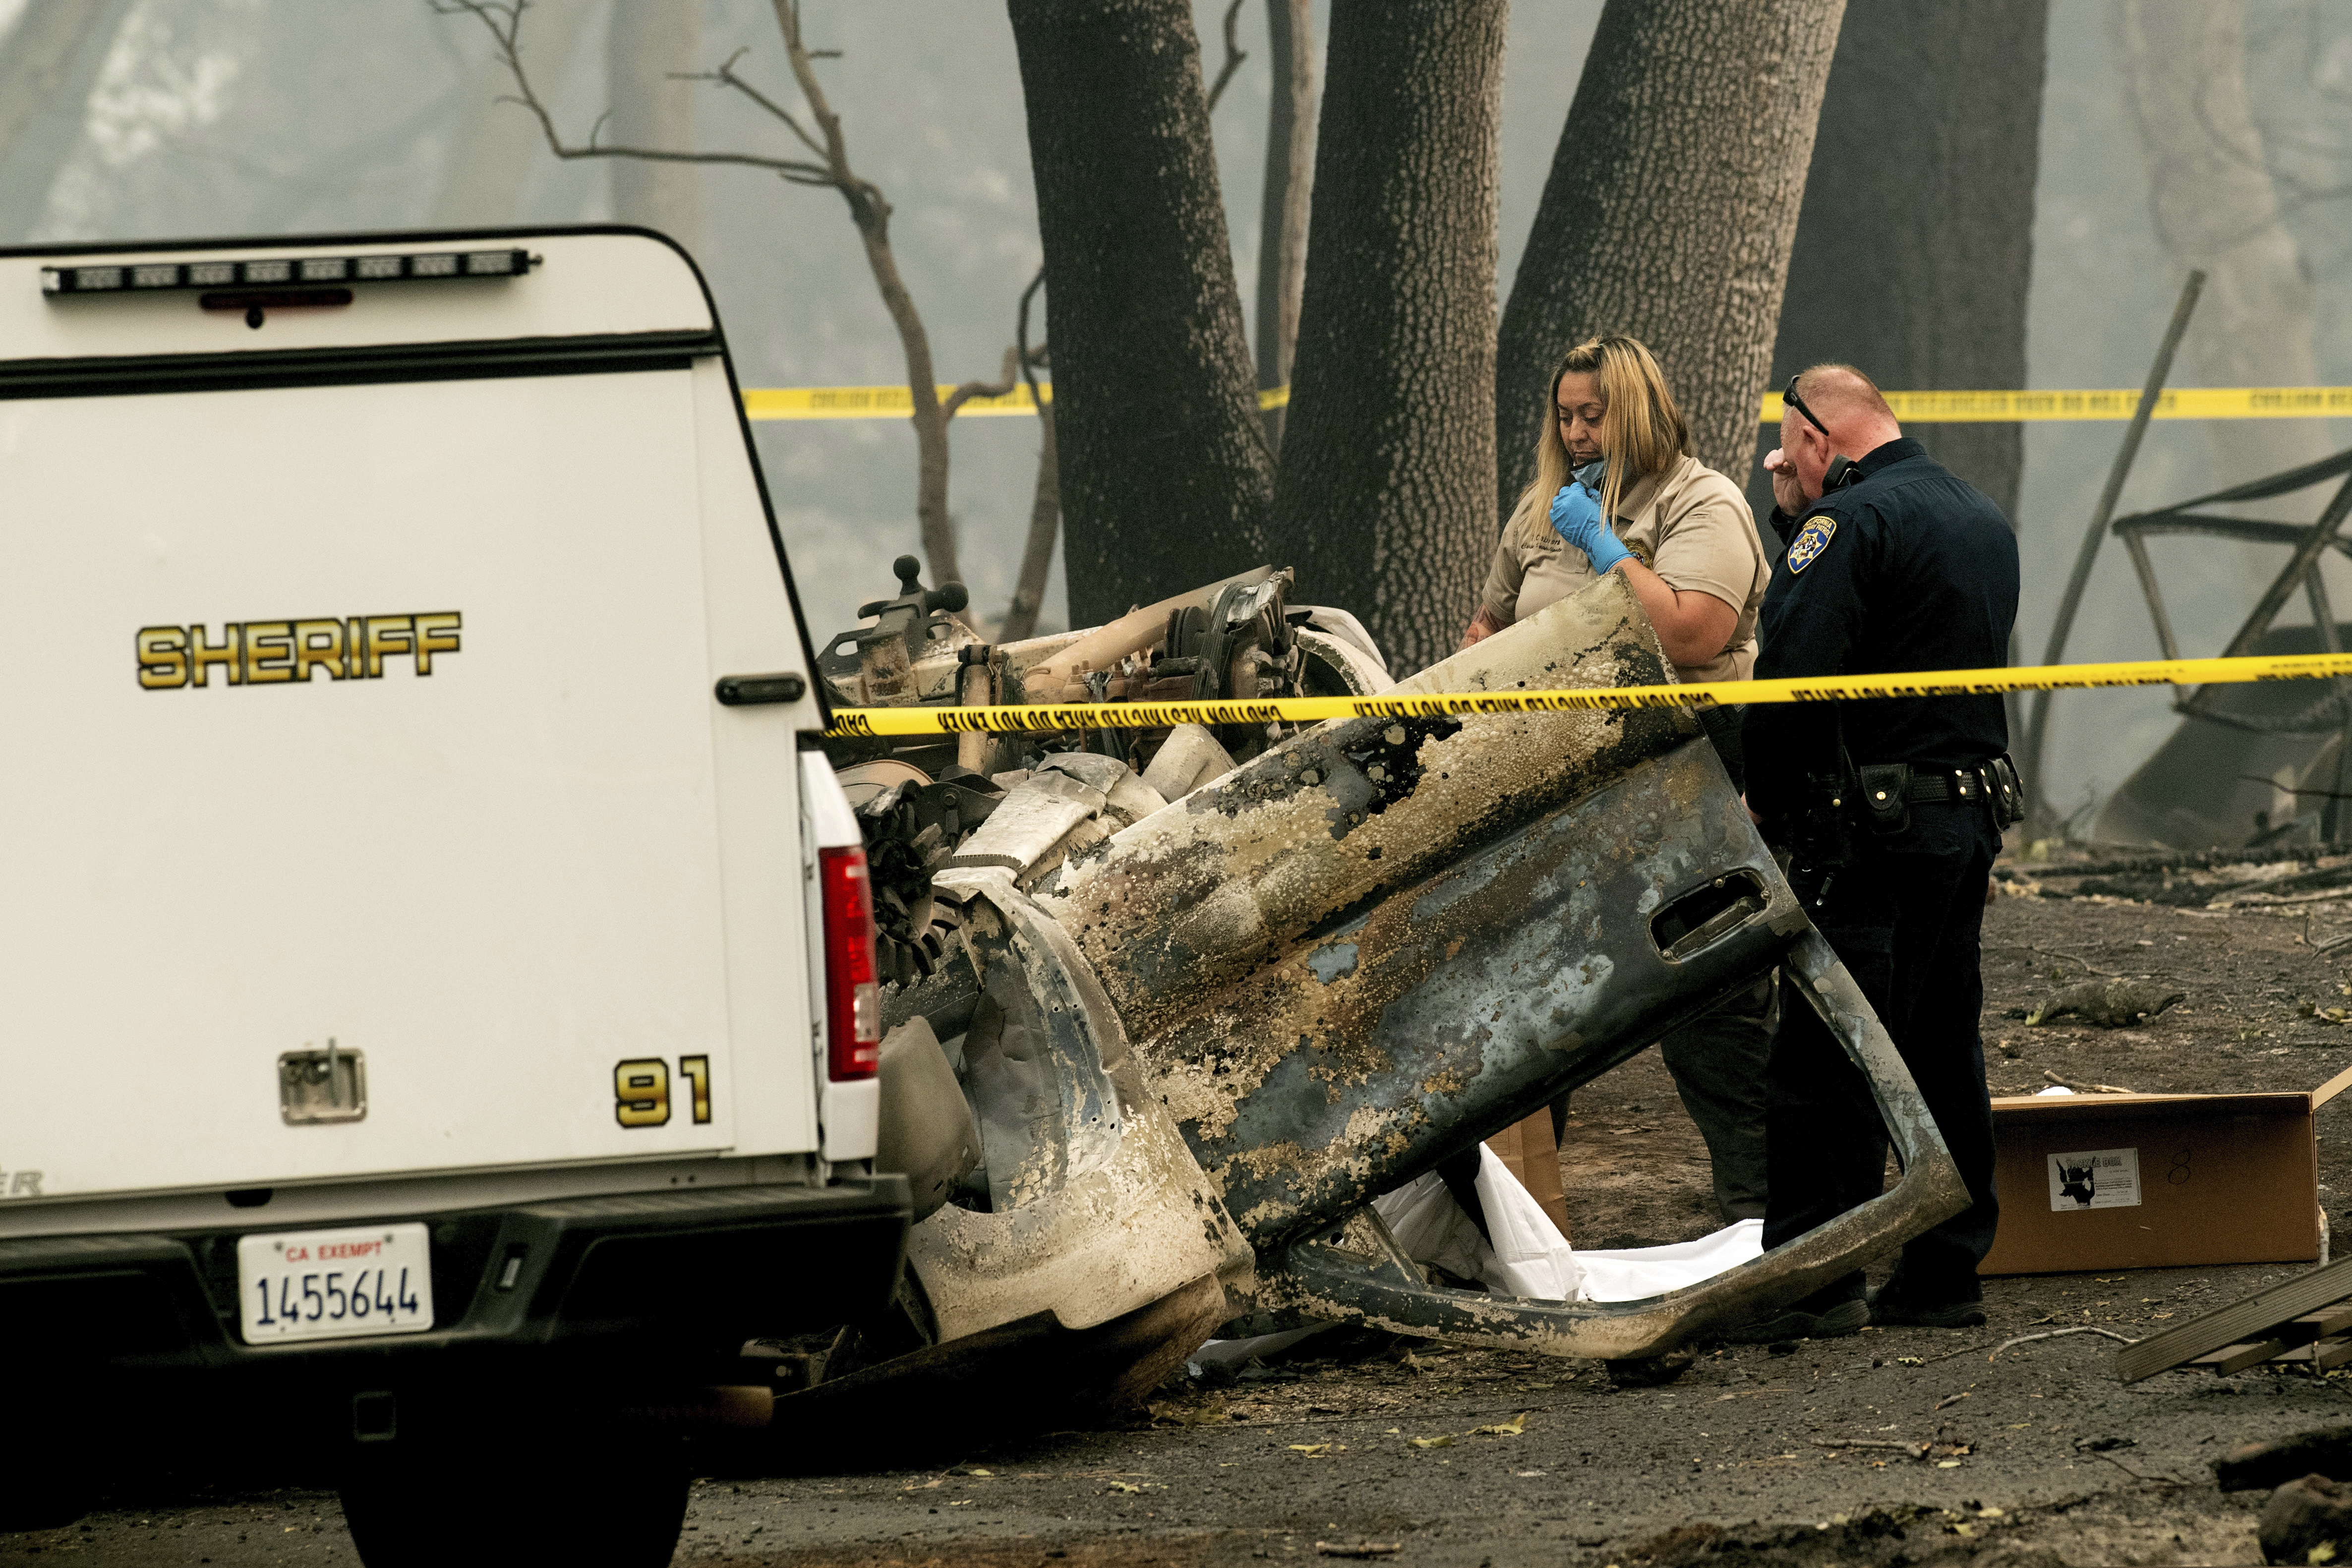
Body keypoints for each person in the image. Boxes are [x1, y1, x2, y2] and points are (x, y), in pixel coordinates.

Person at [1736, 364, 2021, 1338]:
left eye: (1787, 448)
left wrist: (1767, 810)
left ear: (1817, 439)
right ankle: (1944, 1273)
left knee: (1824, 1055)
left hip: (1865, 832)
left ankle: (1815, 1278)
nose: (1783, 464)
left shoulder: (1844, 527)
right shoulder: (1977, 513)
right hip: (1962, 820)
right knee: (1942, 1042)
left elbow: (1793, 675)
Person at [1464, 334, 1775, 1222]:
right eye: (1564, 417)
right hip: (1553, 777)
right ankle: (1512, 1230)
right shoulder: (1542, 510)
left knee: (1707, 1003)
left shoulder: (1701, 504)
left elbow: (1690, 635)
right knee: (1539, 1007)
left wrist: (1604, 545)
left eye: (1592, 415)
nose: (1576, 432)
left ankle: (1763, 1219)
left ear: (1635, 410)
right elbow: (1487, 622)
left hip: (1676, 774)